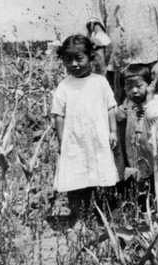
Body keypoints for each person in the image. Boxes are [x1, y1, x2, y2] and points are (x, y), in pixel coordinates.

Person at [51, 34, 119, 221]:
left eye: (79, 58)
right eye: (68, 59)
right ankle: (78, 215)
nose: (73, 64)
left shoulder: (100, 82)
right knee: (76, 175)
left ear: (90, 57)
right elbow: (58, 115)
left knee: (102, 174)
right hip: (75, 142)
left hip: (98, 139)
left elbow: (110, 107)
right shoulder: (64, 87)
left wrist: (113, 131)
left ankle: (106, 213)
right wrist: (61, 140)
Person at [116, 64, 158, 209]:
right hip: (137, 150)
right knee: (141, 176)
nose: (134, 91)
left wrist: (149, 96)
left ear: (149, 86)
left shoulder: (156, 100)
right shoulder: (128, 103)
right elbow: (120, 116)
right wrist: (120, 110)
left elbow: (152, 114)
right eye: (128, 87)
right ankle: (145, 207)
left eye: (139, 86)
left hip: (156, 148)